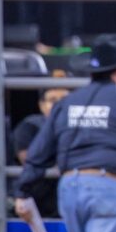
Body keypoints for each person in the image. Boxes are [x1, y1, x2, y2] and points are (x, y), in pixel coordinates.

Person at [13, 34, 116, 232]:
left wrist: (22, 191)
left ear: (92, 72)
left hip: (70, 188)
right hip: (110, 188)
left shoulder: (67, 103)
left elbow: (39, 152)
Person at [11, 70, 70, 217]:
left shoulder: (83, 129)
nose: (59, 106)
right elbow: (28, 159)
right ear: (42, 105)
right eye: (53, 100)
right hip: (37, 203)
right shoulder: (29, 126)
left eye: (64, 100)